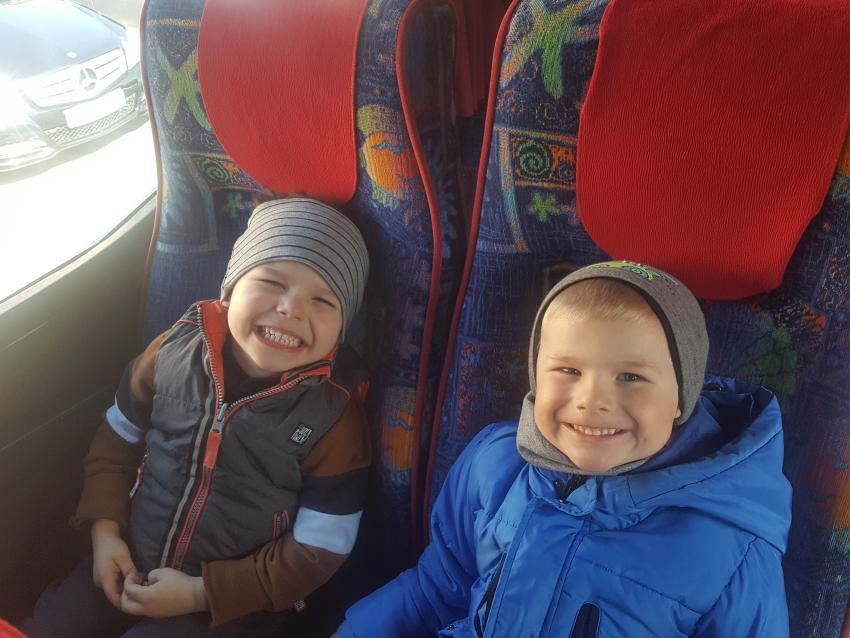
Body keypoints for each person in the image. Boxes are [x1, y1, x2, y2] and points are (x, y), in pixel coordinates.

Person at [336, 260, 792, 637]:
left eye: (630, 377)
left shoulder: (732, 549)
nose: (592, 399)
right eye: (569, 371)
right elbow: (438, 590)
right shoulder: (493, 464)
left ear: (681, 399)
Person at [20, 198, 371, 638]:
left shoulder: (334, 416)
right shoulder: (172, 350)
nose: (291, 308)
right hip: (127, 557)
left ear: (342, 330)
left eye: (322, 300)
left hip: (232, 603)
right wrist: (104, 532)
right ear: (230, 289)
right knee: (52, 625)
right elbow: (116, 442)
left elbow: (319, 548)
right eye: (270, 281)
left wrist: (199, 593)